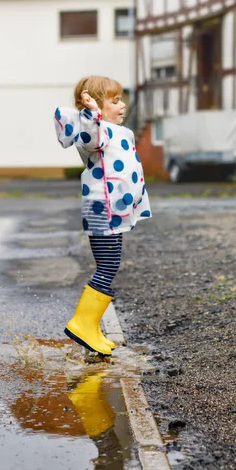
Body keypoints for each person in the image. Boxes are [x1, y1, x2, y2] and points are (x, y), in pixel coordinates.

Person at [54, 75, 151, 355]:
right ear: (95, 106)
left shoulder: (117, 131)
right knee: (107, 266)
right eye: (115, 101)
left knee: (111, 265)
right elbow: (91, 138)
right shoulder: (94, 131)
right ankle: (82, 324)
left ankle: (91, 325)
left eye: (122, 99)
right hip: (103, 210)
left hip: (114, 211)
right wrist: (92, 114)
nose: (123, 106)